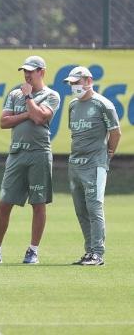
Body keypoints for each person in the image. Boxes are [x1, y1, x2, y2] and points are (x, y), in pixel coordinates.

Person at [0, 56, 60, 265]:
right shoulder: (15, 93)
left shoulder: (52, 95)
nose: (26, 75)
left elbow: (41, 118)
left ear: (41, 71)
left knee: (38, 202)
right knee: (4, 202)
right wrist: (27, 113)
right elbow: (4, 122)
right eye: (24, 71)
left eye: (31, 71)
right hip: (16, 153)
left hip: (39, 153)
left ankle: (33, 251)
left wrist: (28, 101)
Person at [64, 66, 122, 266]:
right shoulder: (72, 106)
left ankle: (98, 254)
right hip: (75, 164)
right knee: (81, 210)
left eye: (76, 82)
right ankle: (89, 252)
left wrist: (108, 156)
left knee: (94, 208)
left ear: (88, 81)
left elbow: (115, 133)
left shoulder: (103, 104)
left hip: (95, 164)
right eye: (71, 83)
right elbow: (74, 132)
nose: (74, 86)